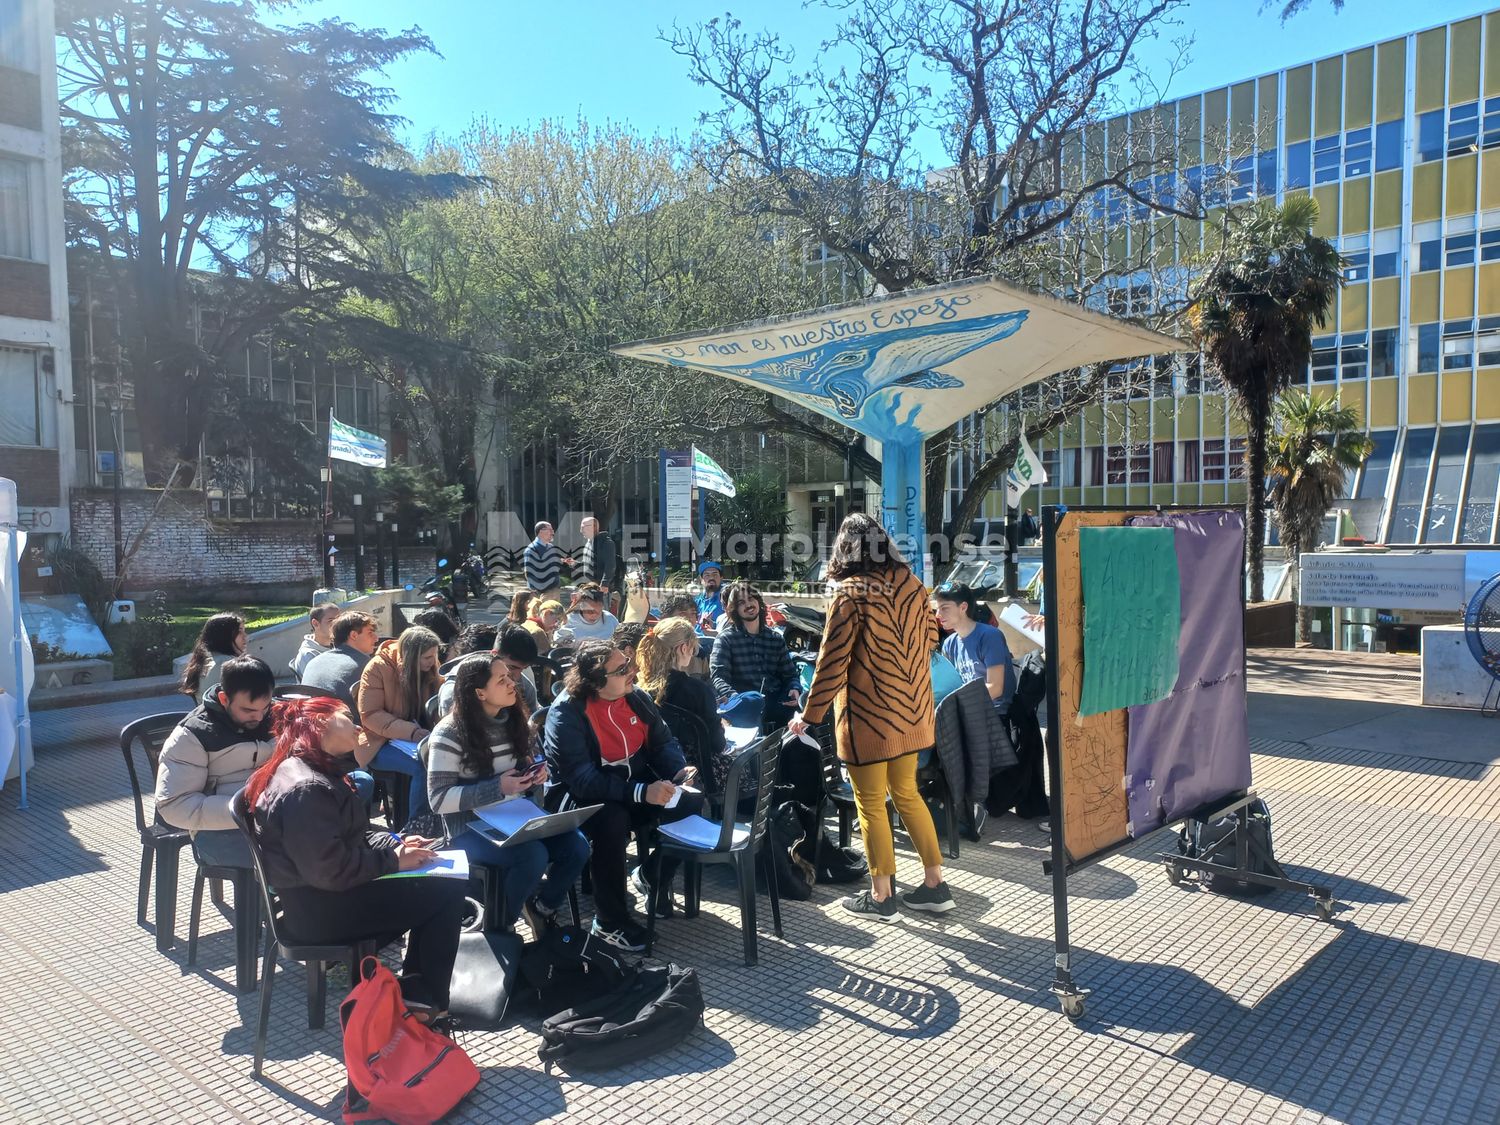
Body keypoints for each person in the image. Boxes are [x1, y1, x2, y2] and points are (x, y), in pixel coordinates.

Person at [246, 694, 465, 1022]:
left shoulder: (312, 769)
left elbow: (351, 835)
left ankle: (420, 994)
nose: (359, 727)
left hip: (323, 896)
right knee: (446, 892)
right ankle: (428, 1000)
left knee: (437, 882)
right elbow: (329, 871)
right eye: (348, 718)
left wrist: (395, 843)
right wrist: (394, 861)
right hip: (320, 912)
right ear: (322, 724)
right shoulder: (306, 788)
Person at [788, 513, 954, 921]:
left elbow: (831, 663)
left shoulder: (851, 592)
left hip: (870, 717)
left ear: (844, 547)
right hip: (914, 713)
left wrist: (809, 717)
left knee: (870, 804)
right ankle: (935, 886)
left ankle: (882, 898)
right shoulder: (916, 586)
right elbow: (932, 641)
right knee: (908, 795)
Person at [542, 639, 702, 952]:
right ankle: (609, 921)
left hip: (629, 786)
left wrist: (678, 773)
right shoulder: (566, 714)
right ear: (596, 682)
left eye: (628, 663)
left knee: (691, 800)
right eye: (622, 669)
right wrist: (643, 792)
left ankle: (651, 875)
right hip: (577, 797)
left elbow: (663, 742)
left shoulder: (636, 697)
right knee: (611, 821)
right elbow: (584, 781)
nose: (633, 671)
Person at [427, 654, 590, 937]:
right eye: (501, 680)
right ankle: (498, 927)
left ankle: (541, 908)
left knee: (578, 846)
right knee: (532, 856)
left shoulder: (516, 720)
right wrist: (497, 788)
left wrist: (537, 774)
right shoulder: (449, 733)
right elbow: (438, 799)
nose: (512, 683)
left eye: (509, 676)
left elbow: (535, 760)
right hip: (468, 828)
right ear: (479, 693)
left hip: (516, 816)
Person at [156, 655, 277, 869]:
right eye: (248, 710)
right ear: (224, 699)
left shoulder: (276, 715)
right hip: (218, 831)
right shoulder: (192, 735)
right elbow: (174, 805)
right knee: (289, 861)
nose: (259, 717)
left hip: (273, 821)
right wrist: (249, 813)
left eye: (265, 708)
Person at [355, 626, 444, 824]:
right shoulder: (378, 667)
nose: (432, 663)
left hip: (419, 738)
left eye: (434, 656)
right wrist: (412, 733)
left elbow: (439, 700)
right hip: (379, 742)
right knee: (424, 764)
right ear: (411, 657)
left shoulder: (429, 667)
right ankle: (418, 824)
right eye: (428, 658)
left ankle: (440, 817)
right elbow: (370, 715)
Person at [637, 617, 728, 798]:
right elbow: (718, 744)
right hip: (699, 770)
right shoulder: (699, 691)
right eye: (694, 649)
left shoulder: (638, 689)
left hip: (655, 769)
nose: (694, 653)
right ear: (684, 648)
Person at [709, 580, 800, 730]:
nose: (748, 605)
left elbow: (790, 674)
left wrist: (794, 688)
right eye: (741, 602)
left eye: (751, 599)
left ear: (758, 602)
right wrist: (735, 698)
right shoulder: (725, 639)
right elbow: (718, 676)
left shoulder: (775, 638)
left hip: (776, 700)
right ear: (734, 609)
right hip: (745, 702)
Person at [932, 582, 1015, 715]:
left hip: (994, 715)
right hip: (966, 716)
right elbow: (950, 687)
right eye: (937, 609)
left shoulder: (989, 636)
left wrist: (955, 706)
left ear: (963, 607)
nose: (938, 615)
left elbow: (996, 688)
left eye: (944, 608)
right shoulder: (949, 644)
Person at [437, 623, 539, 717]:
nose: (516, 677)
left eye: (523, 669)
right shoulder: (455, 689)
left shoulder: (523, 684)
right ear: (494, 654)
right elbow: (454, 732)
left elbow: (532, 720)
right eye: (512, 667)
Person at [302, 611, 380, 713]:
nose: (376, 638)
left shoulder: (314, 661)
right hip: (346, 725)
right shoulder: (366, 666)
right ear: (354, 635)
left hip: (308, 722)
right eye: (370, 633)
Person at [179, 612, 247, 699]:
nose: (245, 636)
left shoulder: (202, 661)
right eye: (239, 631)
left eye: (244, 631)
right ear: (223, 635)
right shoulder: (228, 665)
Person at [289, 603, 340, 679]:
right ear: (315, 623)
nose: (337, 624)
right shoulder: (308, 655)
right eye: (331, 621)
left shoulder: (339, 645)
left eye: (339, 620)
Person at [575, 516, 618, 605]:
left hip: (600, 588)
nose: (581, 530)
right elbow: (586, 564)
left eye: (583, 527)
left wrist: (605, 583)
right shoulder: (588, 543)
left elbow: (610, 565)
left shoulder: (606, 543)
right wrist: (573, 563)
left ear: (594, 527)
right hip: (588, 587)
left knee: (602, 614)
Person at [523, 521, 570, 598]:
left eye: (552, 530)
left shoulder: (550, 546)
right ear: (541, 532)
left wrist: (563, 561)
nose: (552, 533)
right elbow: (529, 573)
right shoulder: (531, 549)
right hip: (542, 593)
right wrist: (539, 592)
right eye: (550, 530)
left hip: (554, 590)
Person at [694, 561, 726, 633]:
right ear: (701, 580)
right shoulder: (697, 601)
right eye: (707, 575)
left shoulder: (726, 598)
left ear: (721, 578)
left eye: (715, 575)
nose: (711, 577)